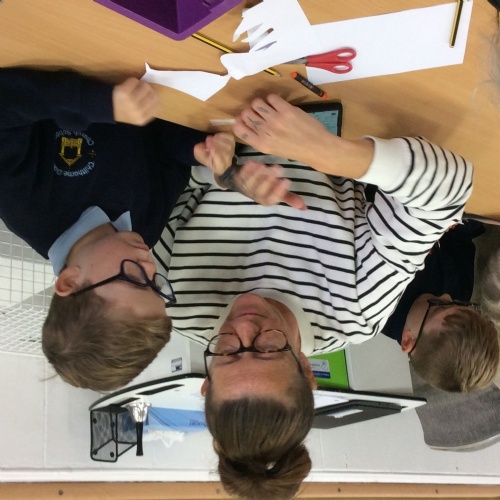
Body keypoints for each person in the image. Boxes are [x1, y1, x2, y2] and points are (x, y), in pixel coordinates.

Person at [153, 94, 485, 498]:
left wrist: (223, 174)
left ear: (206, 383)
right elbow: (449, 189)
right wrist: (331, 153)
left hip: (208, 105)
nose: (245, 327)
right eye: (269, 348)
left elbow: (160, 174)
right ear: (307, 371)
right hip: (324, 97)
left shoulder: (173, 301)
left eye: (227, 351)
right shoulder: (355, 309)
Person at [0, 67, 236, 391]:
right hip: (149, 66)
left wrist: (101, 104)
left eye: (134, 279)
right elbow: (166, 151)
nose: (149, 266)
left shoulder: (24, 206)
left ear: (70, 281)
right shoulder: (142, 232)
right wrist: (197, 150)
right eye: (155, 285)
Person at [381, 219, 499, 392]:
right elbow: (462, 237)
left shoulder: (382, 304)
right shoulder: (459, 298)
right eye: (461, 304)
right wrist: (457, 222)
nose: (447, 295)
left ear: (408, 340)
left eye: (439, 306)